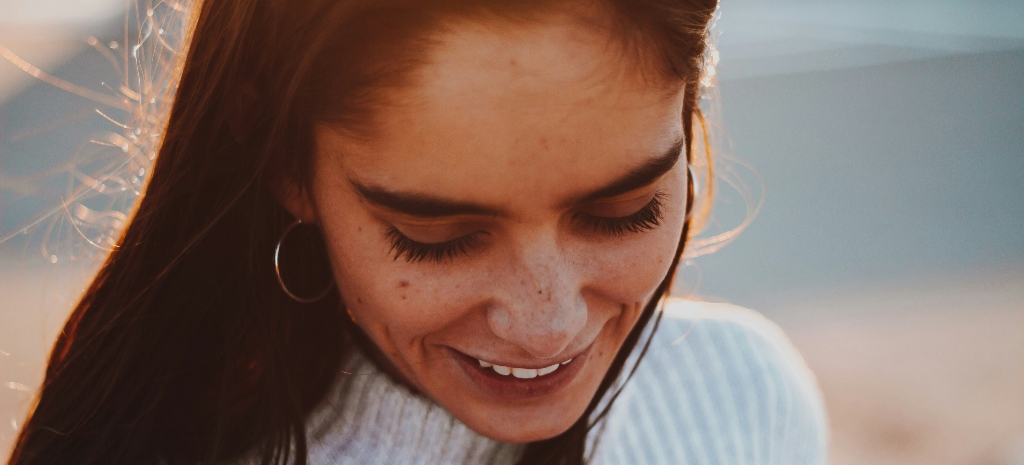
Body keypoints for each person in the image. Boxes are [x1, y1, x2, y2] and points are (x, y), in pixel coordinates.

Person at [7, 0, 827, 464]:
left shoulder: (744, 397)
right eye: (435, 236)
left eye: (623, 213)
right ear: (285, 159)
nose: (547, 323)